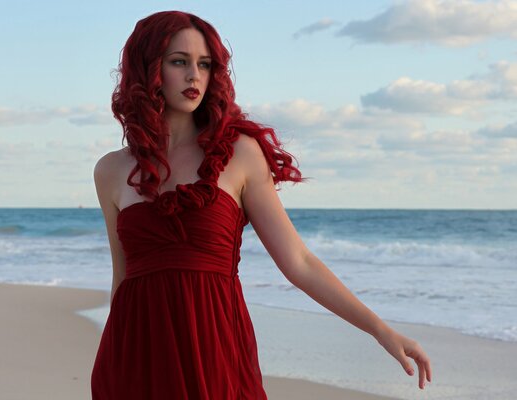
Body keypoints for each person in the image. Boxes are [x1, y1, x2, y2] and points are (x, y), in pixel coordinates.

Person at [91, 10, 432, 399]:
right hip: (135, 358)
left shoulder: (238, 155)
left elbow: (299, 262)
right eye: (179, 62)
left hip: (214, 350)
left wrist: (380, 330)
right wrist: (113, 360)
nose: (194, 76)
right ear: (148, 69)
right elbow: (123, 277)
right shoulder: (111, 171)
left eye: (204, 64)